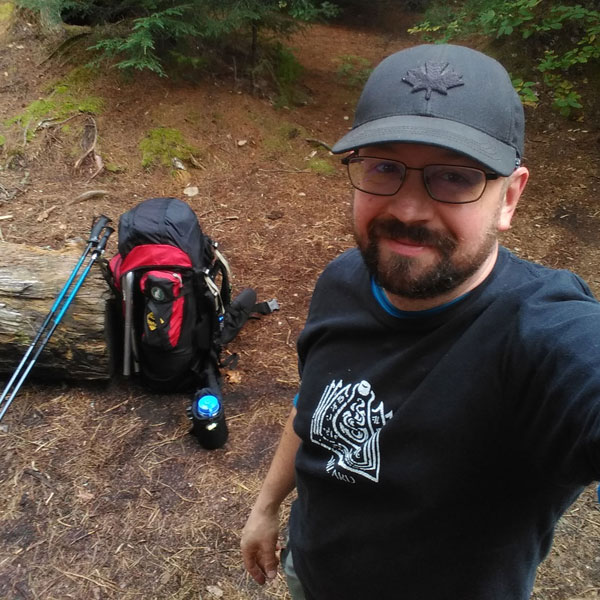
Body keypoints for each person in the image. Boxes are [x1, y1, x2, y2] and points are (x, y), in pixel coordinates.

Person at [241, 43, 600, 600]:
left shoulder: (538, 332)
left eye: (454, 177)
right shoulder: (342, 280)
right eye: (384, 167)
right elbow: (309, 406)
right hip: (310, 572)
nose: (407, 210)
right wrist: (266, 508)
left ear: (510, 197)